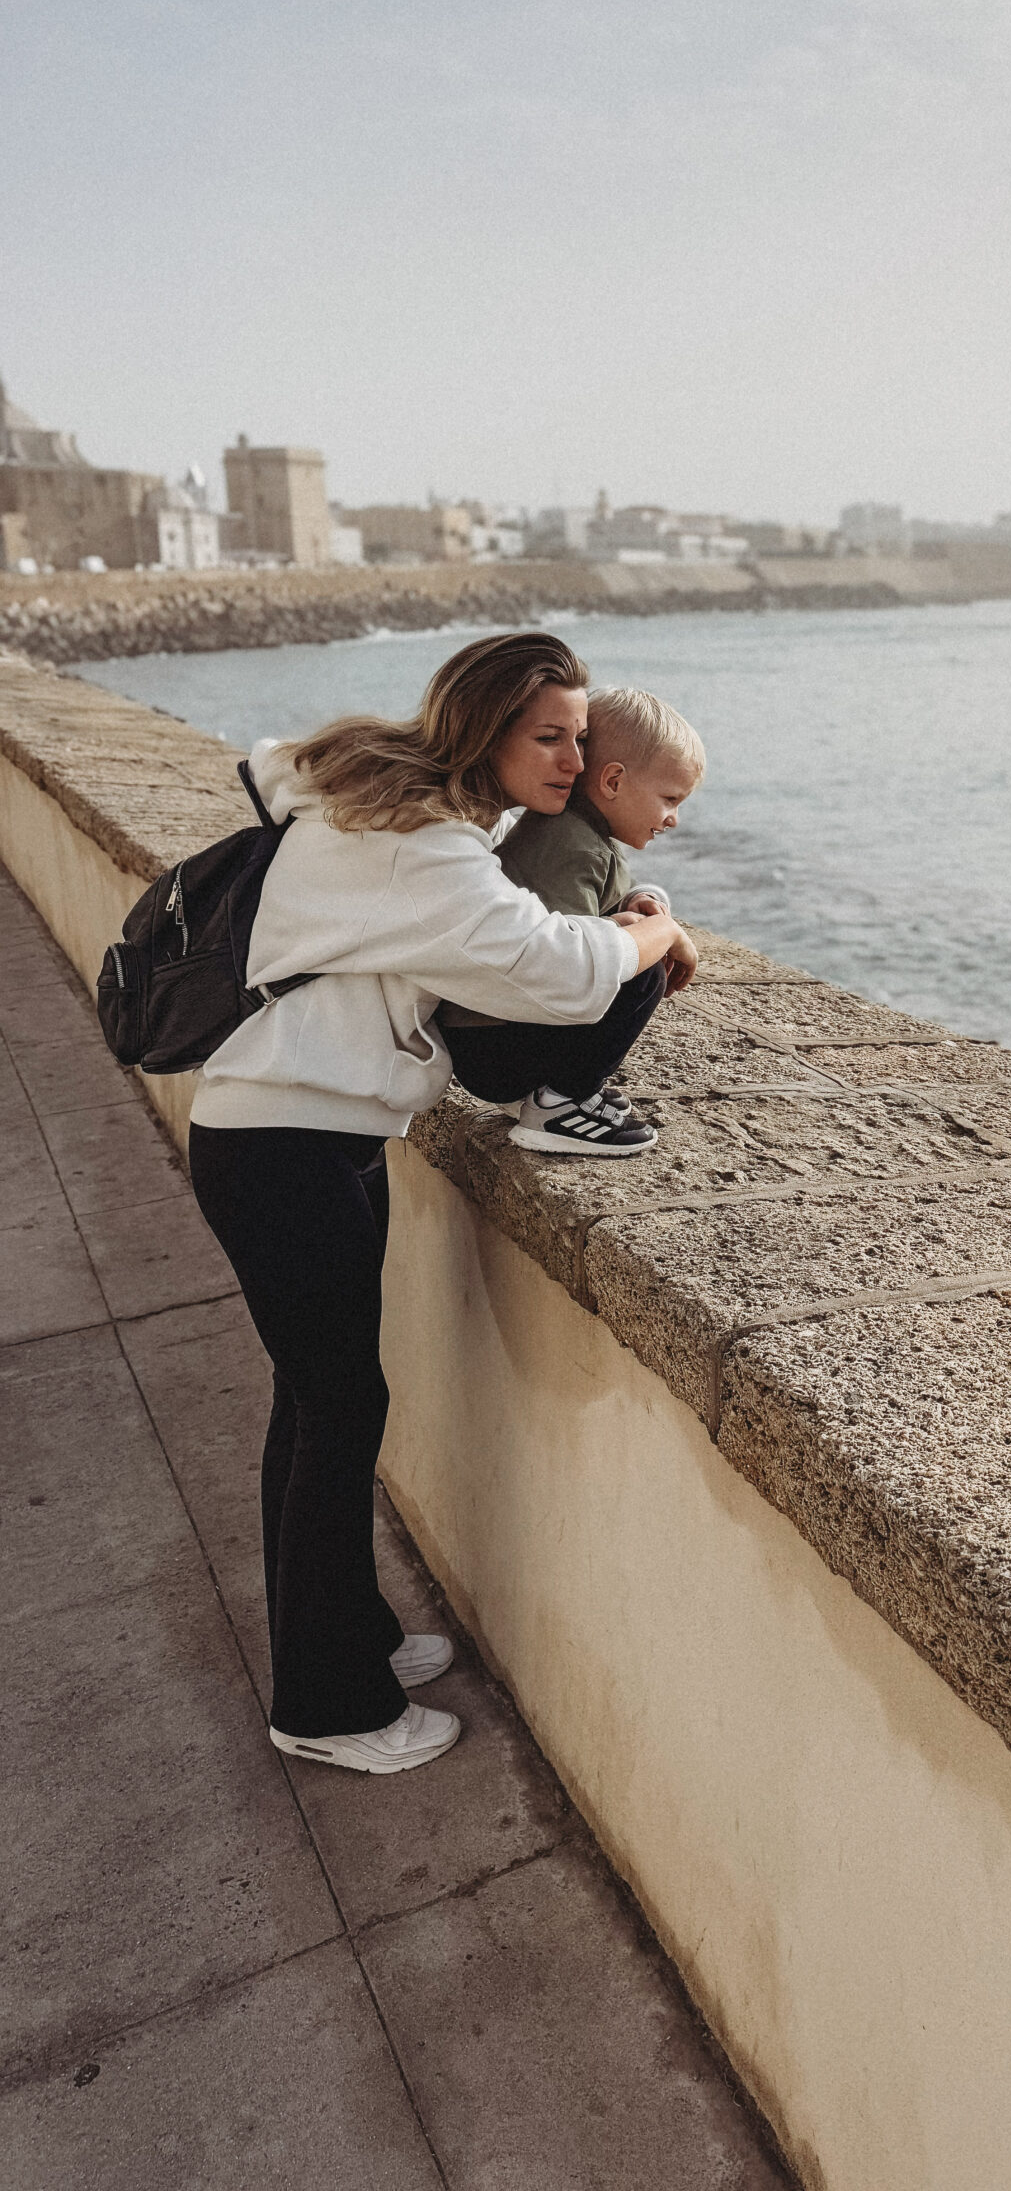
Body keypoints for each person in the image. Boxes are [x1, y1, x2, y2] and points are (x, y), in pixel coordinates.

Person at [186, 632, 693, 1777]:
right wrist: (656, 929)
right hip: (285, 1145)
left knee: (314, 1402)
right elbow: (561, 971)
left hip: (306, 1133)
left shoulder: (387, 804)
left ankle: (346, 1631)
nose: (575, 761)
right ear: (485, 728)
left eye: (580, 737)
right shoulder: (426, 845)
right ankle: (327, 1706)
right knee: (336, 1407)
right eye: (549, 737)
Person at [439, 684, 704, 1155]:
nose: (673, 819)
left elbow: (592, 907)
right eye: (670, 799)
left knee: (633, 947)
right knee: (643, 973)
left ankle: (553, 1090)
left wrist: (638, 902)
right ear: (613, 781)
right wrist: (654, 933)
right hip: (496, 1049)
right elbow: (570, 960)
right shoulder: (575, 846)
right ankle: (559, 1104)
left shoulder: (575, 831)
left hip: (485, 1034)